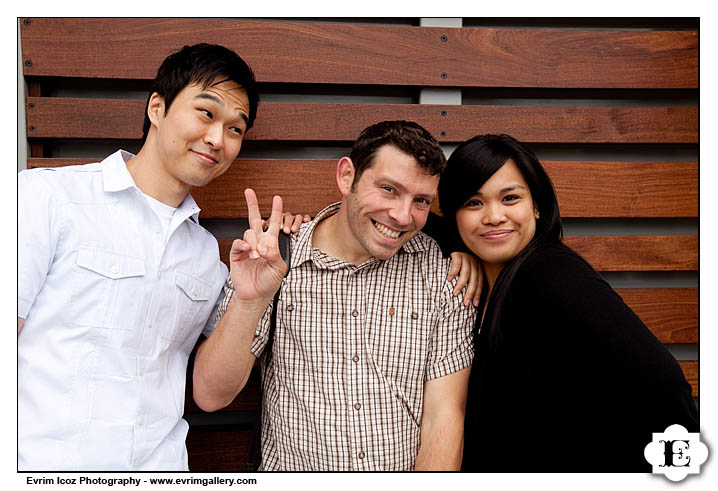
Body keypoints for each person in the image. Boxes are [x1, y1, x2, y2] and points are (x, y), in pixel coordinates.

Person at [17, 43, 283, 471]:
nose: (218, 139)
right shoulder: (46, 198)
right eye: (206, 113)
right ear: (157, 108)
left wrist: (251, 300)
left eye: (236, 128)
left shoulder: (206, 258)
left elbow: (211, 396)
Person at [192, 120, 480, 471]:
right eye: (389, 189)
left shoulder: (441, 275)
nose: (403, 216)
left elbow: (444, 419)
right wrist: (250, 301)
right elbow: (210, 395)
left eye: (420, 201)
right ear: (347, 177)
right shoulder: (277, 259)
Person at [435, 134, 698, 472]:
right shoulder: (492, 279)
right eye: (473, 203)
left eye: (510, 198)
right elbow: (420, 221)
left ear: (537, 205)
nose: (494, 216)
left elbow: (666, 388)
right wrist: (454, 246)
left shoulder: (551, 276)